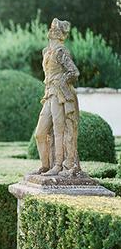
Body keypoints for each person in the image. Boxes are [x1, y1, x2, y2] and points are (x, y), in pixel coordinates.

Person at [34, 18, 80, 177]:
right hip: (48, 94)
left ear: (59, 34)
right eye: (52, 28)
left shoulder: (61, 51)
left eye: (55, 28)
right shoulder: (46, 51)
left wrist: (62, 81)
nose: (52, 30)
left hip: (59, 95)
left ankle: (58, 165)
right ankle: (45, 165)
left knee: (59, 130)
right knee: (40, 133)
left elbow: (74, 72)